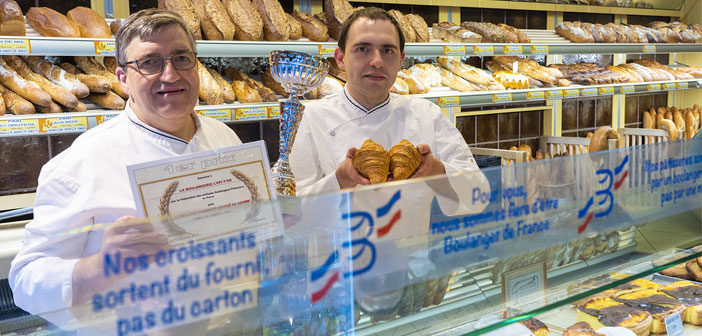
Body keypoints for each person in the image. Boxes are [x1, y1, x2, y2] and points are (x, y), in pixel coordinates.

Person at [9, 8, 242, 321]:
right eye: (149, 62)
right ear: (123, 79)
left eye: (182, 58)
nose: (170, 75)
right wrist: (103, 266)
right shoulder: (83, 162)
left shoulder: (224, 137)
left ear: (196, 67)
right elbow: (25, 282)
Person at [290, 7, 487, 198]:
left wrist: (438, 172)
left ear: (401, 60)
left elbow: (479, 194)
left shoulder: (427, 115)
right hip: (340, 233)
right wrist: (339, 181)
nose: (377, 61)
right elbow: (289, 212)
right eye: (362, 49)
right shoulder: (311, 118)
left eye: (387, 50)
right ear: (340, 58)